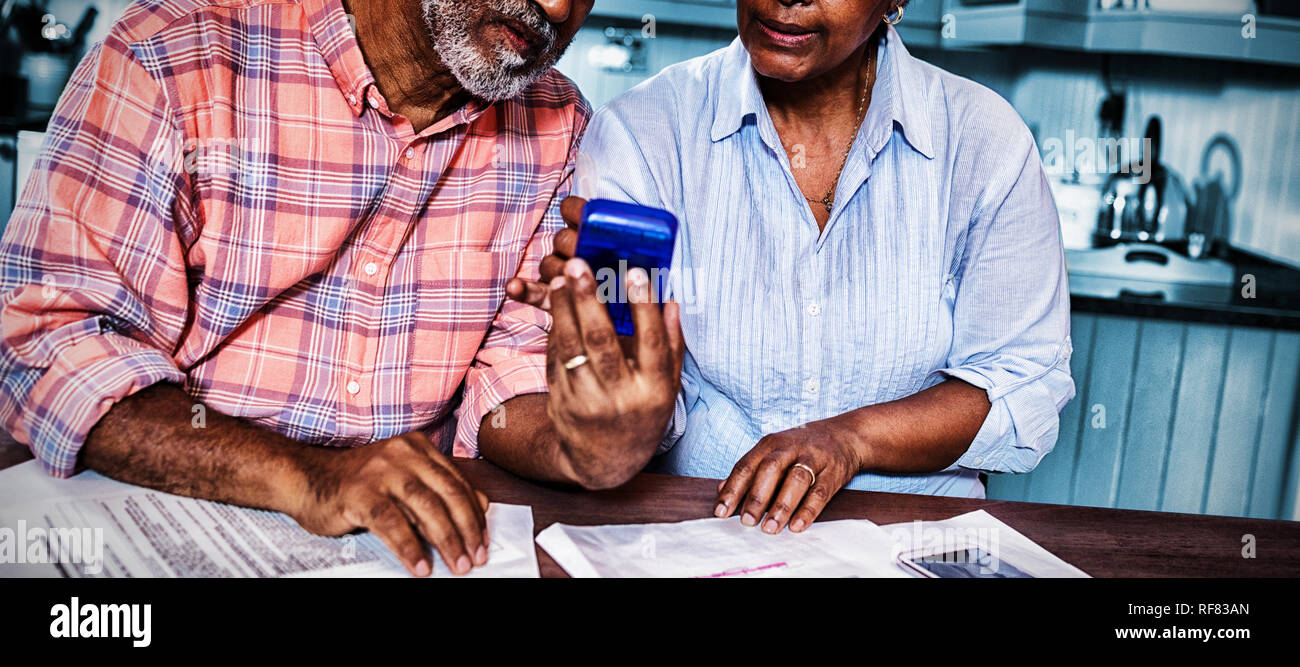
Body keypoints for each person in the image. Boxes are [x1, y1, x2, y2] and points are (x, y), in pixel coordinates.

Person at [0, 0, 684, 576]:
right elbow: (45, 344)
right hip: (162, 523)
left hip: (393, 551)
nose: (560, 8)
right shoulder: (175, 52)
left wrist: (588, 443)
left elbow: (507, 387)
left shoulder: (559, 125)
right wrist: (305, 476)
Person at [497, 0, 1075, 535]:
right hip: (703, 535)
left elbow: (1022, 379)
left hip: (914, 543)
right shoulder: (642, 132)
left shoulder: (984, 141)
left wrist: (850, 439)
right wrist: (611, 377)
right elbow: (624, 388)